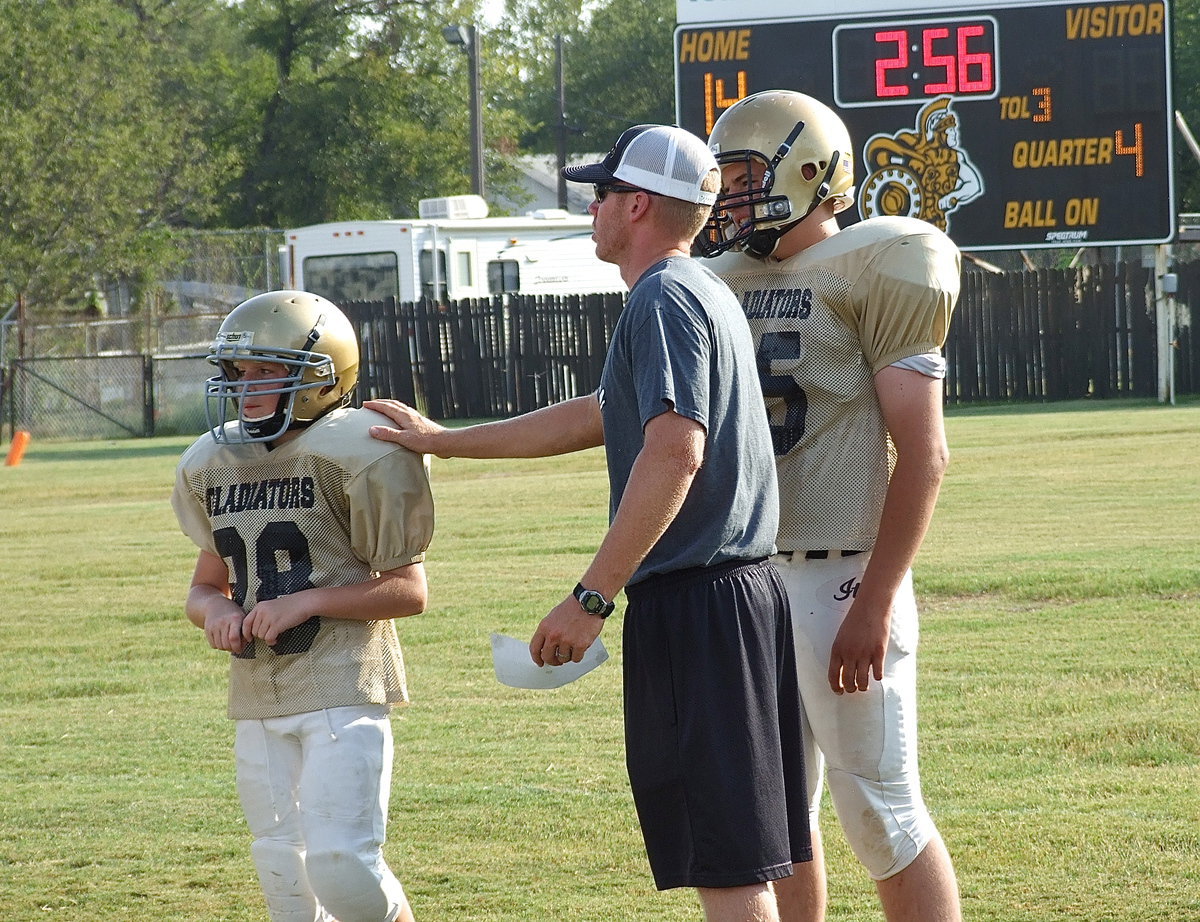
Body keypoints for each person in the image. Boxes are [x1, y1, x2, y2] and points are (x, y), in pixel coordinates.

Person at [366, 124, 811, 922]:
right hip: (741, 595)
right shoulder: (700, 287)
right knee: (760, 848)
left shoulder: (665, 296)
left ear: (637, 204)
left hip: (702, 602)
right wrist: (441, 442)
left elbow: (675, 451)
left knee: (730, 862)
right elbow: (597, 417)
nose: (594, 205)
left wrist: (592, 597)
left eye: (602, 192)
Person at [699, 90, 963, 922]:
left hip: (843, 571)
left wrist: (876, 601)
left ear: (811, 172)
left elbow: (924, 455)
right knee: (781, 824)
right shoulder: (715, 282)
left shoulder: (879, 261)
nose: (730, 196)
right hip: (751, 579)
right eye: (726, 179)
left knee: (881, 812)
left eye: (745, 176)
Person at [170, 290, 434, 922]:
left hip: (342, 684)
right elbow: (203, 589)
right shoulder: (214, 460)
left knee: (342, 866)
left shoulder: (359, 449)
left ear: (320, 375)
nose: (248, 387)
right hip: (259, 694)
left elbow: (409, 590)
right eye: (240, 372)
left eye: (269, 371)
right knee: (283, 873)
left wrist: (308, 601)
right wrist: (219, 615)